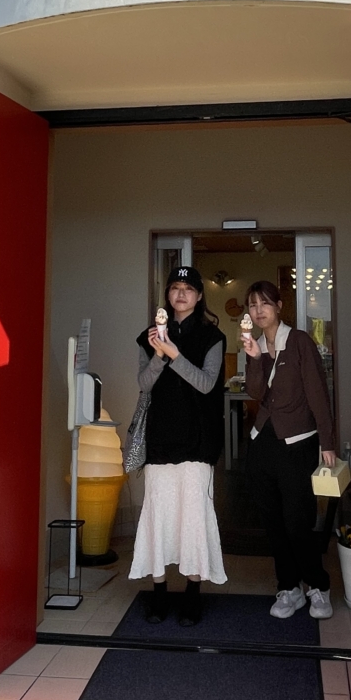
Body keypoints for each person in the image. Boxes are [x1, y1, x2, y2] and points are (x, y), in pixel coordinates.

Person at [129, 266, 227, 625]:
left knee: (193, 518)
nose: (181, 294)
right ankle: (158, 592)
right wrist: (158, 354)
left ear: (199, 296)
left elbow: (206, 383)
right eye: (175, 287)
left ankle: (192, 594)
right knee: (158, 515)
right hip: (160, 440)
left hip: (198, 441)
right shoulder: (149, 336)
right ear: (167, 295)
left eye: (188, 288)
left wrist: (173, 354)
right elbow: (144, 384)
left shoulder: (212, 337)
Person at [241, 280, 336, 619]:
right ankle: (289, 588)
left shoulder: (298, 342)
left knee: (298, 521)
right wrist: (254, 359)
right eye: (253, 305)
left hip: (298, 442)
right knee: (273, 523)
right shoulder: (254, 345)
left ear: (279, 306)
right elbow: (255, 393)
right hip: (263, 442)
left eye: (265, 303)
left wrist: (327, 442)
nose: (259, 310)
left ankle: (318, 586)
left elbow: (317, 393)